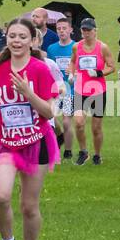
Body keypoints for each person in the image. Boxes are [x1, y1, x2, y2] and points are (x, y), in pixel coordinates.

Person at [0, 18, 59, 240]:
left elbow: (49, 112)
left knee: (29, 206)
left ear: (32, 41)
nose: (16, 41)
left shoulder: (40, 69)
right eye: (12, 35)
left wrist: (28, 92)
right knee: (2, 196)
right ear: (6, 37)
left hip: (36, 141)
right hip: (5, 141)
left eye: (22, 37)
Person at [70, 17, 114, 165]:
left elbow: (111, 66)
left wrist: (99, 73)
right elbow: (72, 61)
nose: (86, 32)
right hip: (80, 90)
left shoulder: (103, 47)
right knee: (78, 123)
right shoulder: (76, 46)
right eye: (84, 30)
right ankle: (83, 152)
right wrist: (71, 73)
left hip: (98, 91)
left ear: (95, 31)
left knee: (96, 128)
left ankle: (97, 154)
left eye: (89, 30)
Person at [44, 17, 77, 162]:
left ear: (70, 30)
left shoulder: (76, 47)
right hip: (55, 90)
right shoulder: (51, 48)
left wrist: (74, 73)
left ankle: (68, 152)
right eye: (59, 29)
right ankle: (59, 139)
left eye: (64, 28)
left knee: (66, 121)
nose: (62, 31)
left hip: (71, 89)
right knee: (51, 119)